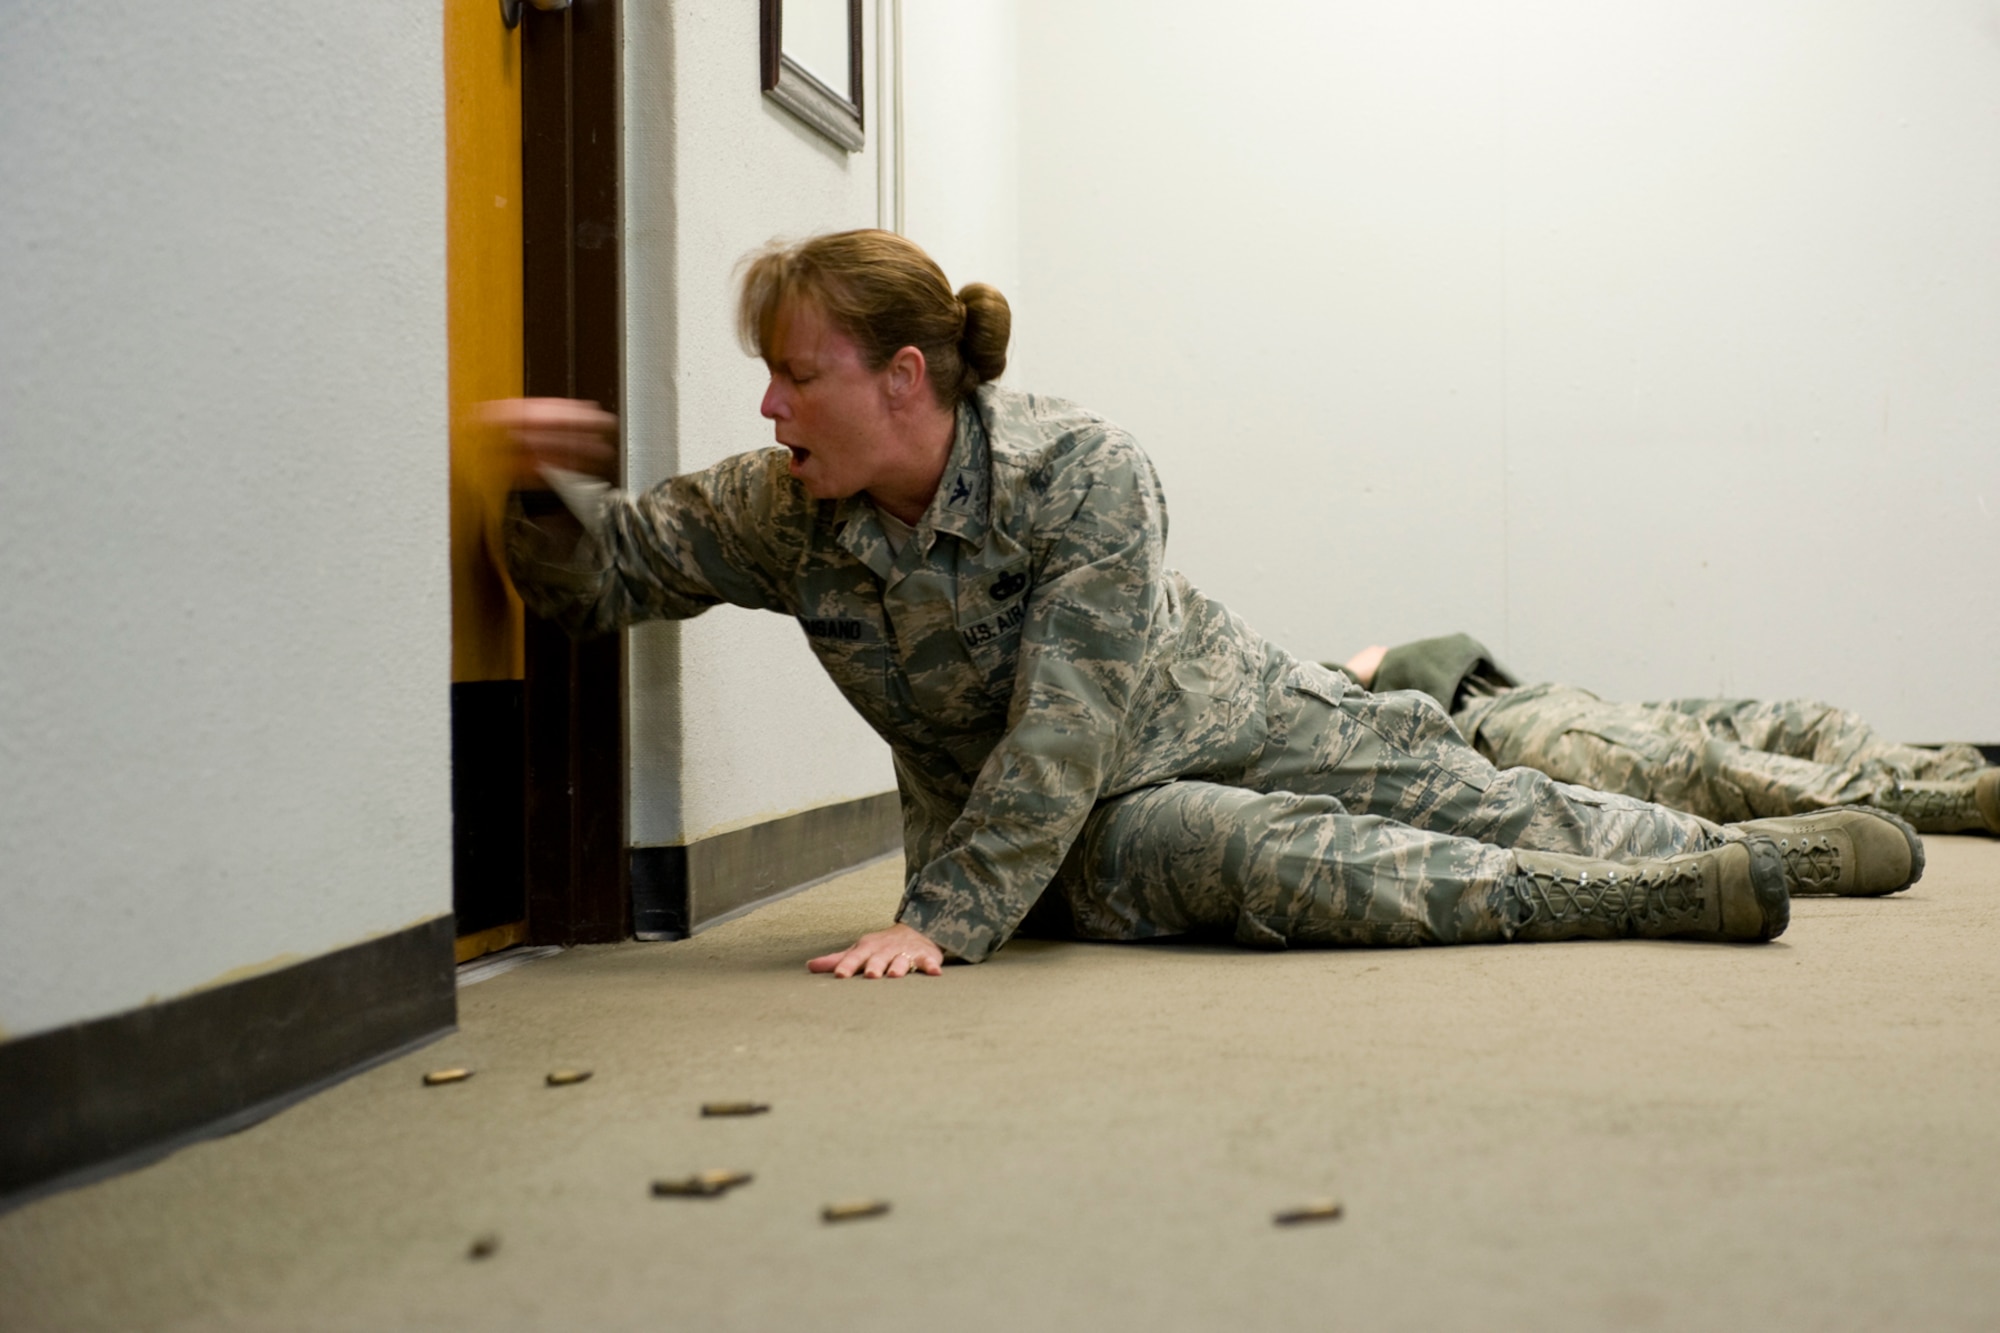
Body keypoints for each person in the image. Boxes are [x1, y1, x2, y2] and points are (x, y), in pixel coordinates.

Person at [485, 230, 1922, 979]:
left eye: (797, 371)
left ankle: (1736, 839)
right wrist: (544, 491)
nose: (768, 400)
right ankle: (1623, 900)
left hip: (1231, 704)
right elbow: (613, 570)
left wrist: (938, 919)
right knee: (1267, 860)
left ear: (904, 377)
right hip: (1080, 833)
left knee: (1460, 780)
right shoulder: (780, 507)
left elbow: (1068, 717)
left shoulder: (1084, 472)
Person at [1335, 635, 1999, 837]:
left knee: (1801, 722)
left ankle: (1952, 768)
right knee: (1709, 763)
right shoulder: (1330, 702)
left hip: (1553, 702)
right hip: (1508, 733)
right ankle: (1947, 799)